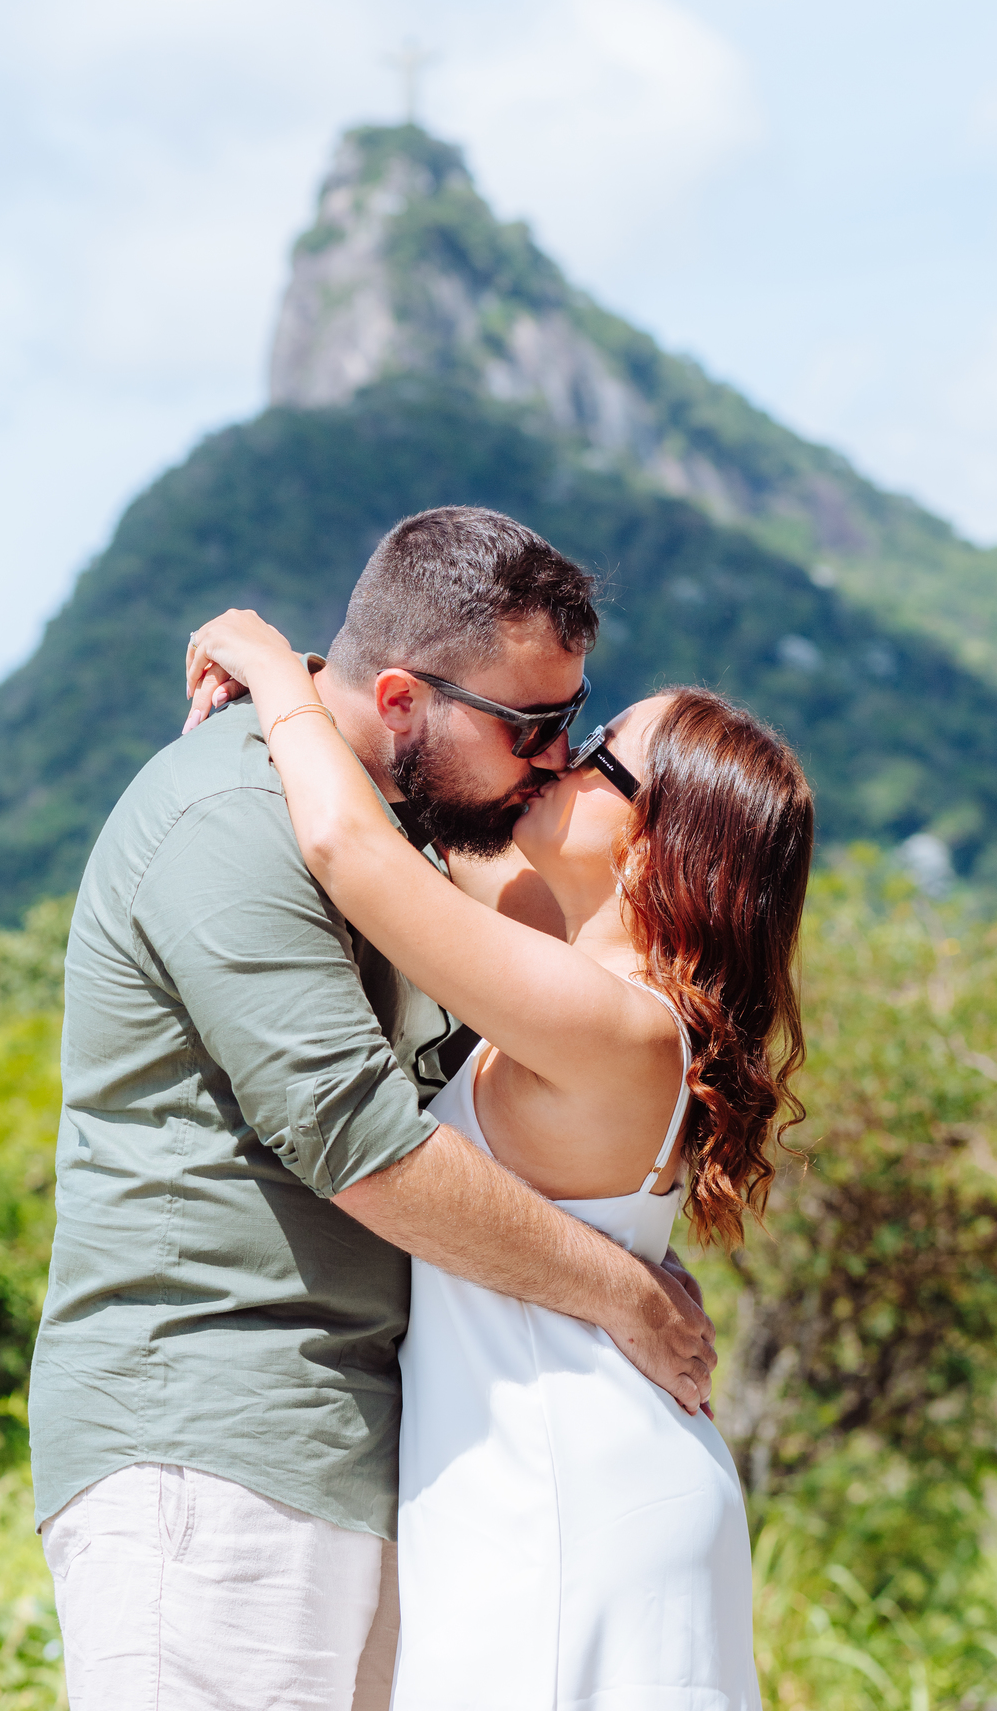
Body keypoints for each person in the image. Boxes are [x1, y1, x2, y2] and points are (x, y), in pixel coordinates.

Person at [30, 507, 718, 1711]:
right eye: (534, 727)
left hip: (363, 1460)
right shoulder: (229, 817)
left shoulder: (404, 833)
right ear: (402, 701)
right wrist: (623, 1294)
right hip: (210, 1446)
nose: (557, 757)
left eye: (576, 723)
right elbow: (358, 1141)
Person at [182, 602, 814, 1710]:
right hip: (542, 1479)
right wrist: (354, 694)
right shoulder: (565, 955)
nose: (556, 762)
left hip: (566, 1497)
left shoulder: (618, 1024)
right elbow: (409, 819)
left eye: (598, 755)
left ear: (651, 840)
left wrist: (274, 666)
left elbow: (352, 852)